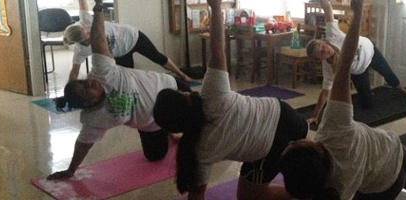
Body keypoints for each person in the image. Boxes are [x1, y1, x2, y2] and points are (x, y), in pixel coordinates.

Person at [279, 1, 406, 199]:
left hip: (382, 173)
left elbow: (343, 54)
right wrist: (357, 11)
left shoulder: (335, 186)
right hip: (393, 161)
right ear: (314, 148)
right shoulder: (334, 127)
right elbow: (344, 66)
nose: (296, 140)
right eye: (296, 143)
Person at [152, 0, 308, 199]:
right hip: (281, 116)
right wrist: (216, 8)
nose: (186, 92)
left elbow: (196, 194)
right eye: (181, 94)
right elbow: (217, 51)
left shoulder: (199, 151)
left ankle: (302, 195)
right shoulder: (212, 96)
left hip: (277, 135)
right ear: (185, 101)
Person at [46, 0, 190, 180]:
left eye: (83, 82)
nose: (89, 83)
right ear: (88, 104)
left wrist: (98, 7)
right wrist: (70, 170)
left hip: (170, 87)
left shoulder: (102, 72)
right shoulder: (94, 120)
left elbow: (98, 40)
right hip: (151, 123)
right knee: (154, 156)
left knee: (199, 120)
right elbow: (83, 145)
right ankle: (167, 130)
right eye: (85, 91)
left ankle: (175, 130)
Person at [305, 0, 406, 125]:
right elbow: (325, 92)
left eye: (322, 46)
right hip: (359, 70)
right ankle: (367, 95)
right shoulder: (328, 68)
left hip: (370, 52)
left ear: (324, 42)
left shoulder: (332, 35)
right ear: (319, 59)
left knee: (388, 73)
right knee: (367, 103)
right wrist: (315, 116)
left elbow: (327, 8)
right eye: (321, 53)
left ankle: (403, 90)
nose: (324, 50)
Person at [63, 0, 192, 82]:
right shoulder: (80, 51)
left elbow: (82, 1)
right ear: (82, 40)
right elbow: (74, 72)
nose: (88, 30)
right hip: (120, 53)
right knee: (126, 79)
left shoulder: (85, 20)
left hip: (132, 36)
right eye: (86, 33)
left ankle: (182, 75)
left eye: (85, 29)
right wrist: (70, 92)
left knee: (157, 57)